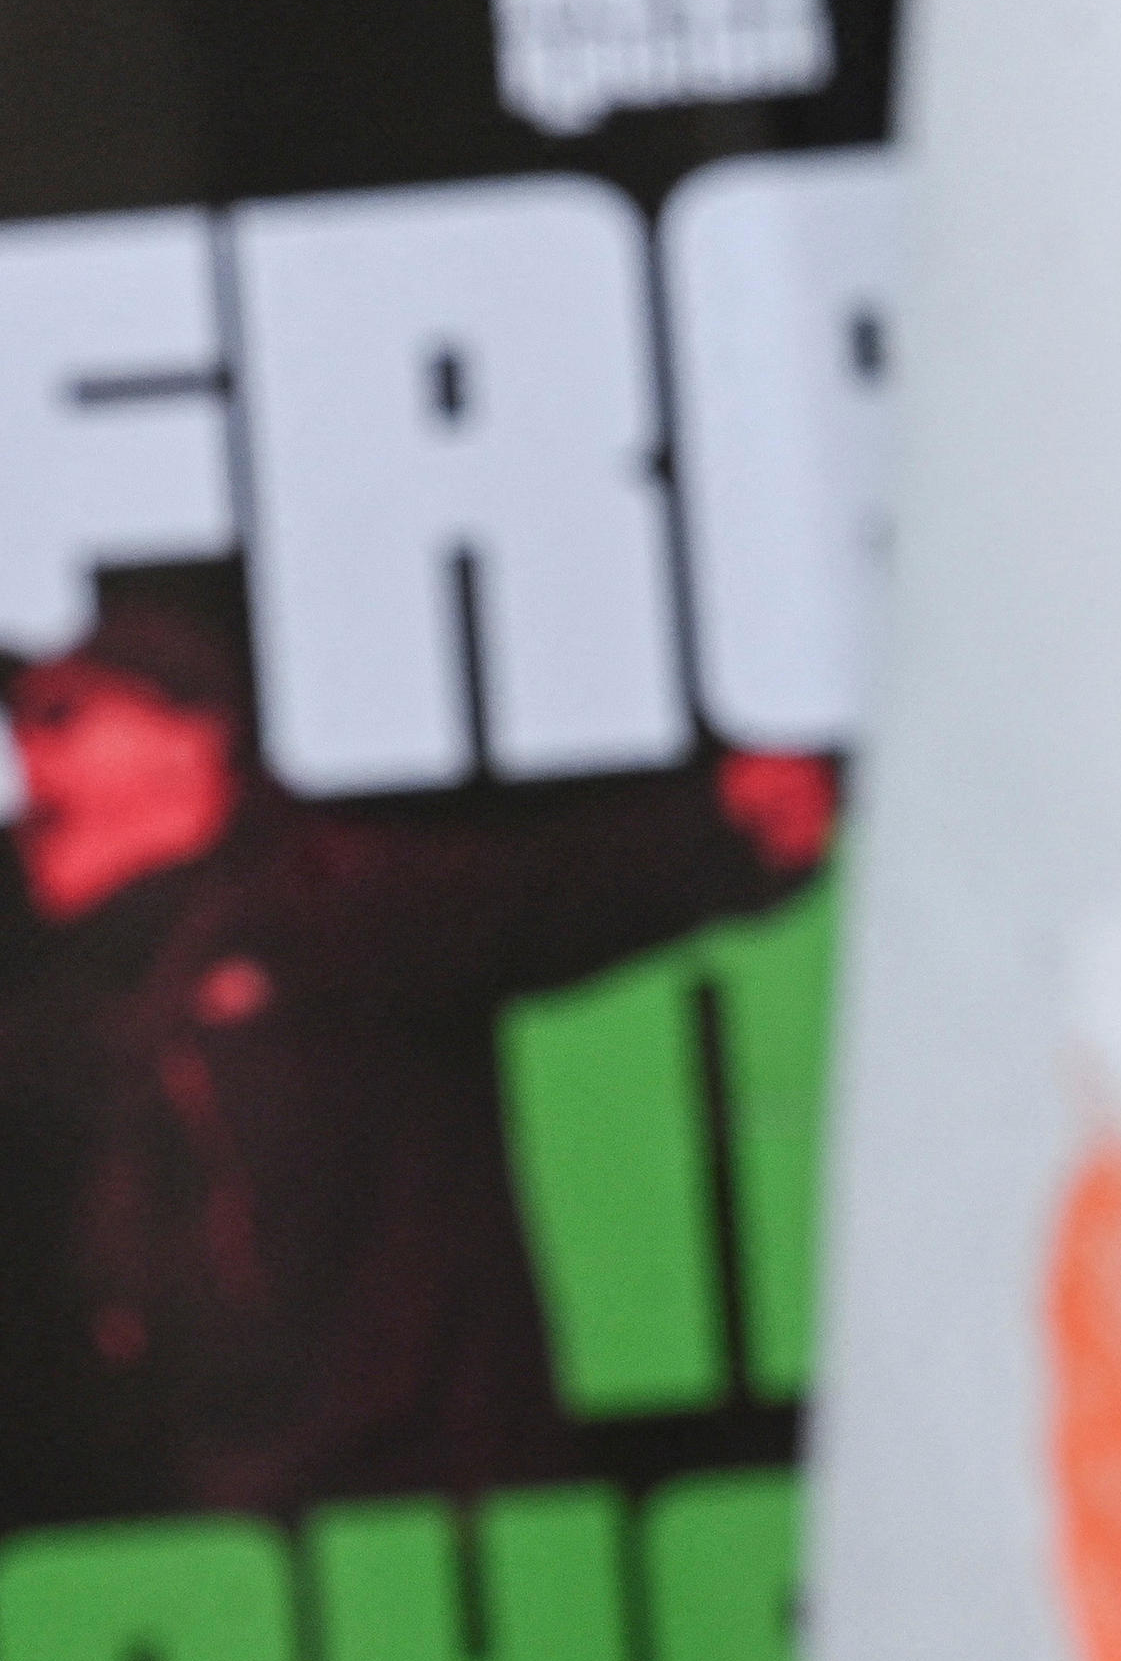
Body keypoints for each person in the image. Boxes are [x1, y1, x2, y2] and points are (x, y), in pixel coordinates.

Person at [0, 594, 833, 1526]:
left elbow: (546, 894)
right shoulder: (85, 989)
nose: (28, 760)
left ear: (194, 735)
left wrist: (733, 827)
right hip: (235, 1517)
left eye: (59, 716)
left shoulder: (332, 901)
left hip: (430, 1490)